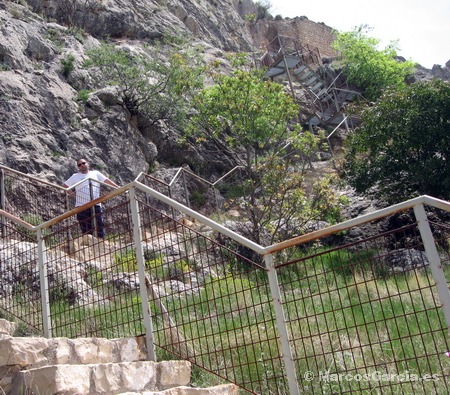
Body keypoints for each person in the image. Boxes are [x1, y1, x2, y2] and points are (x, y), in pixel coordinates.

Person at [64, 159, 119, 238]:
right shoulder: (75, 176)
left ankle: (101, 243)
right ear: (78, 167)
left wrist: (117, 187)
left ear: (87, 164)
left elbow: (106, 180)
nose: (82, 165)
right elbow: (65, 186)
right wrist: (73, 195)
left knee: (99, 224)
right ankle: (88, 245)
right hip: (81, 205)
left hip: (95, 203)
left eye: (83, 163)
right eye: (79, 165)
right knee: (85, 227)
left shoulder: (95, 173)